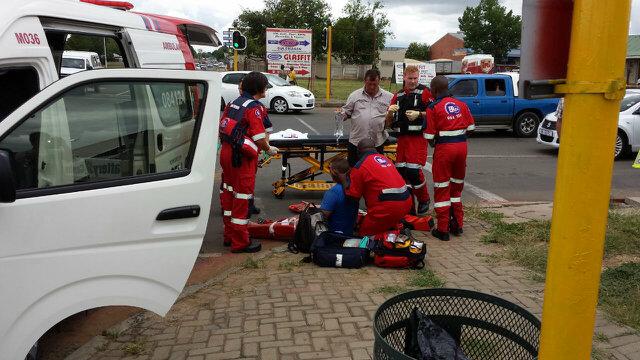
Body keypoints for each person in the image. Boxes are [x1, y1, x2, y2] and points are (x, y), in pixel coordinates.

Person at [219, 71, 279, 253]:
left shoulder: (234, 103)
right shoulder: (254, 108)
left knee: (228, 193)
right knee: (242, 197)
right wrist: (269, 149)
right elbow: (260, 137)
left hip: (227, 153)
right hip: (242, 158)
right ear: (259, 88)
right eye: (266, 86)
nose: (267, 89)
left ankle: (229, 235)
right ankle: (240, 242)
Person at [424, 75, 475, 241]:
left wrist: (437, 142)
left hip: (445, 150)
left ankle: (443, 229)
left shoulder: (433, 107)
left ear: (435, 90)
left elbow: (429, 135)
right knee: (456, 188)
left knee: (441, 187)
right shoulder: (462, 105)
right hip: (462, 148)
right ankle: (458, 225)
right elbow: (471, 128)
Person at [336, 138, 412, 236]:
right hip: (405, 202)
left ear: (358, 152)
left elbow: (352, 196)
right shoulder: (384, 159)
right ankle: (396, 232)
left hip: (386, 207)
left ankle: (390, 236)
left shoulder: (360, 167)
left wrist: (343, 180)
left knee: (365, 235)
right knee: (386, 225)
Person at [385, 65, 433, 216]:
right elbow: (387, 123)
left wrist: (419, 114)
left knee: (413, 171)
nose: (413, 81)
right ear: (404, 77)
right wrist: (389, 114)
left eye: (415, 78)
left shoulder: (425, 92)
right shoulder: (397, 95)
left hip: (417, 139)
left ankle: (424, 199)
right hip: (402, 140)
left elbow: (435, 113)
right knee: (402, 173)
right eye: (410, 78)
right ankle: (410, 207)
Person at [336, 68, 393, 167]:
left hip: (377, 142)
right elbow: (346, 112)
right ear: (364, 81)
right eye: (369, 84)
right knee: (354, 170)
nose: (371, 87)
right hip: (356, 142)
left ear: (379, 81)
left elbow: (394, 115)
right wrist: (340, 114)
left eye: (374, 84)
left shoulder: (389, 97)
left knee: (376, 171)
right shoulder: (354, 96)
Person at [320, 159, 359, 235]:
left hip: (334, 232)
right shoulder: (353, 188)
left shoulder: (333, 192)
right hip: (349, 231)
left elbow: (324, 215)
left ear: (334, 172)